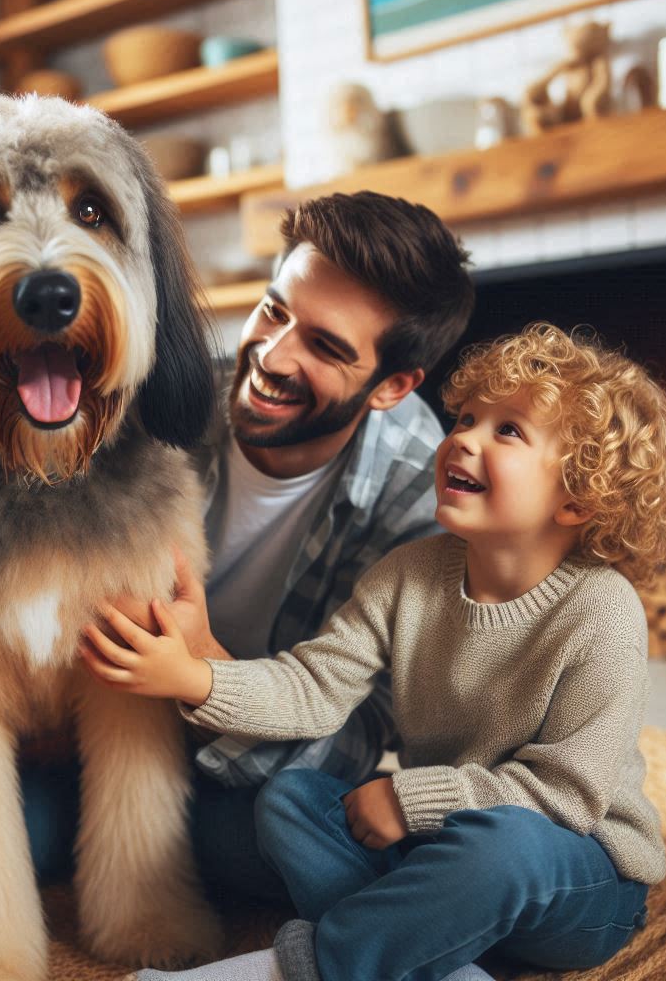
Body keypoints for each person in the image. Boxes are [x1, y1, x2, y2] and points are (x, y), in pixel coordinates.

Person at [81, 323, 666, 981]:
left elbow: (568, 796)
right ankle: (437, 955)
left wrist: (411, 800)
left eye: (507, 430)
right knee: (290, 801)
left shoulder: (601, 610)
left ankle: (294, 970)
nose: (463, 437)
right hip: (437, 852)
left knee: (504, 846)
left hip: (574, 879)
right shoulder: (408, 575)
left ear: (579, 497)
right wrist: (195, 677)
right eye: (466, 418)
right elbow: (311, 688)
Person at [31, 191, 476, 900]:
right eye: (274, 310)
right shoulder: (169, 399)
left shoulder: (424, 505)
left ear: (391, 386)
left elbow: (354, 737)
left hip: (242, 749)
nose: (271, 354)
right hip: (102, 720)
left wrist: (203, 670)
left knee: (257, 836)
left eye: (325, 347)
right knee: (23, 829)